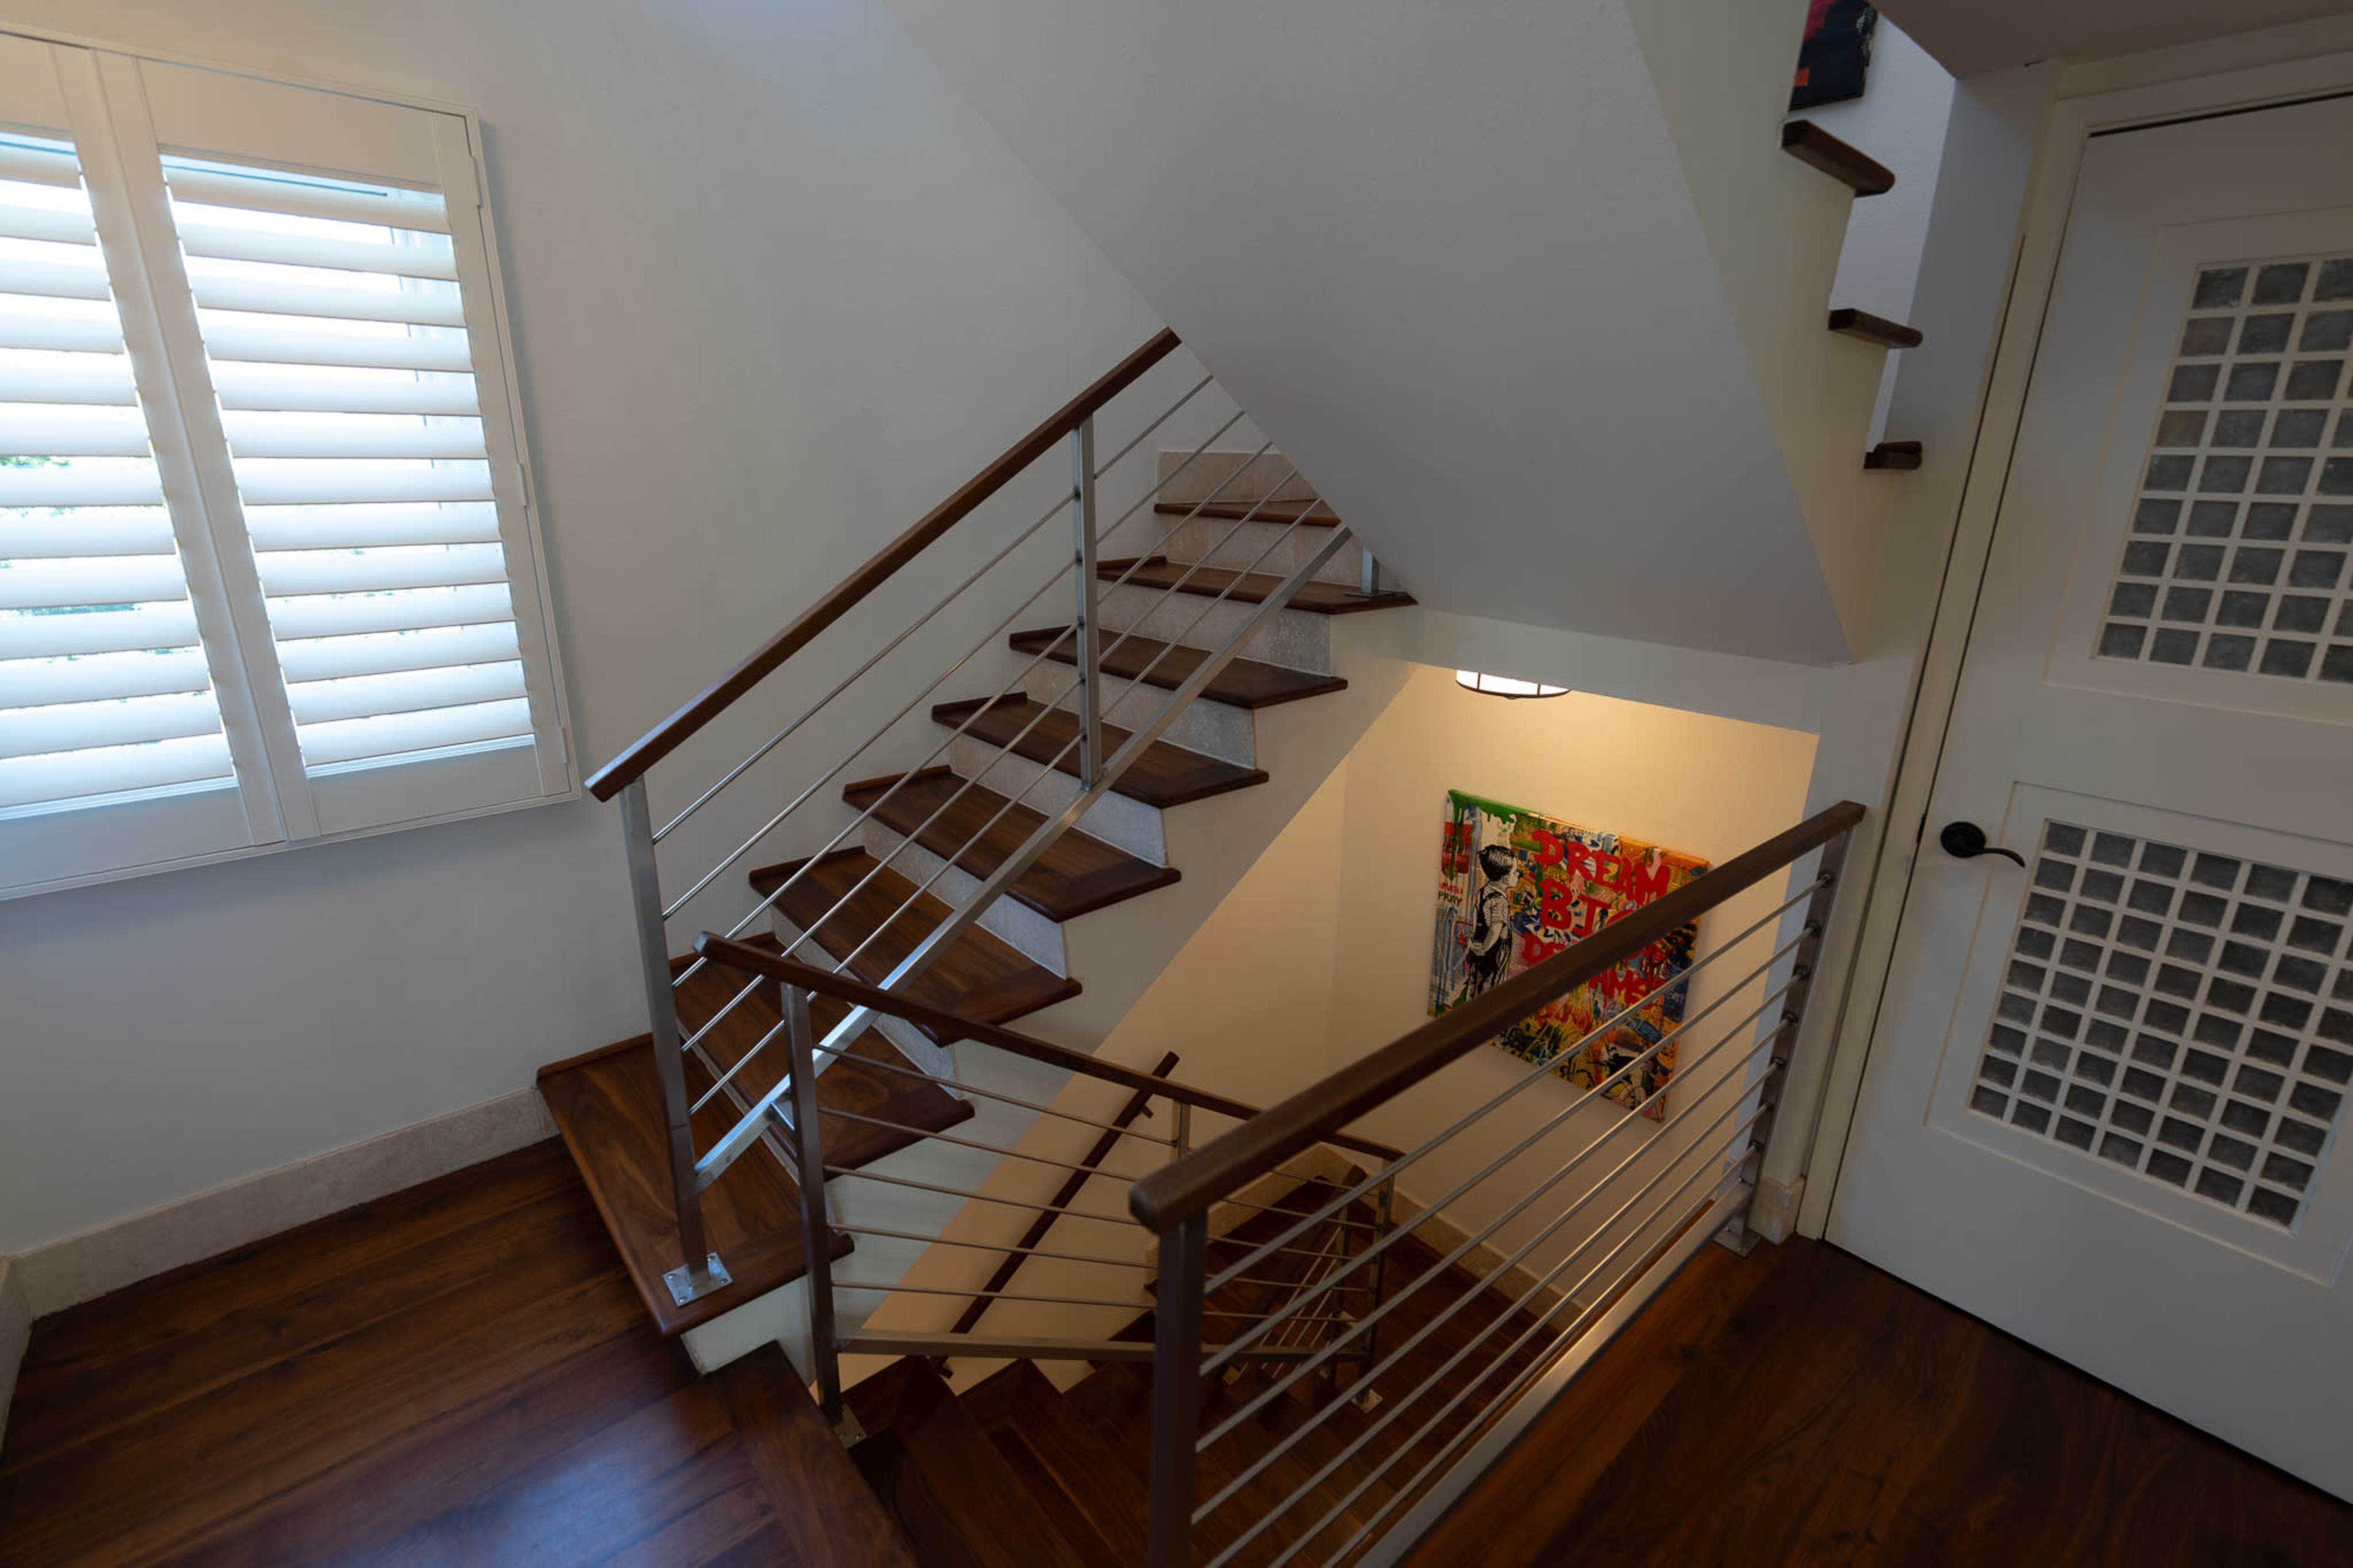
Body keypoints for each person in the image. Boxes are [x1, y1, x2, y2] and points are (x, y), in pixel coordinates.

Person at [1461, 843, 1518, 1001]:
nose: (1518, 875)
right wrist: (1485, 948)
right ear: (1505, 878)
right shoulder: (1499, 901)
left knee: (1475, 983)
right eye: (1515, 872)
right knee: (1490, 987)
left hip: (1479, 947)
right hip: (1493, 954)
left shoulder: (1483, 892)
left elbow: (1475, 916)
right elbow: (1495, 928)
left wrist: (1475, 941)